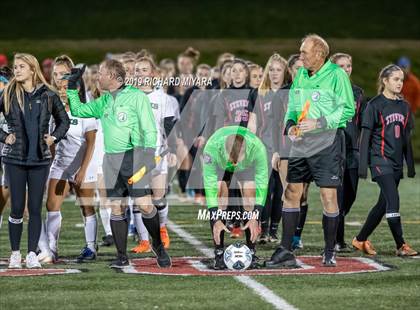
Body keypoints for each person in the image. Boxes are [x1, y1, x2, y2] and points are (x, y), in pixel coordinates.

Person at [66, 59, 171, 268]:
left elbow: (149, 128)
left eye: (102, 73)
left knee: (144, 204)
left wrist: (149, 156)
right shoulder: (104, 101)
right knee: (116, 208)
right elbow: (78, 110)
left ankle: (158, 246)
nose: (98, 77)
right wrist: (72, 86)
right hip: (111, 159)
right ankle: (122, 256)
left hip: (134, 156)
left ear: (113, 77)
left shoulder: (136, 97)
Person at [266, 34, 355, 268]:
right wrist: (290, 124)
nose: (301, 56)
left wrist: (320, 122)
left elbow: (347, 110)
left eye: (305, 52)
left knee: (328, 196)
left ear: (319, 54)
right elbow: (293, 106)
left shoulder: (336, 75)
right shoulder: (302, 75)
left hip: (327, 142)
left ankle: (329, 251)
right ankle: (285, 250)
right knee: (292, 192)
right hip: (301, 143)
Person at [0, 53, 69, 269]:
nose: (17, 70)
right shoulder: (8, 94)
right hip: (14, 159)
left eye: (21, 66)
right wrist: (4, 136)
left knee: (35, 208)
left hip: (40, 160)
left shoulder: (48, 94)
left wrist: (54, 137)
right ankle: (14, 253)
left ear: (32, 69)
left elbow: (64, 121)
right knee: (17, 208)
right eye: (15, 67)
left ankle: (31, 253)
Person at [36, 55, 99, 264]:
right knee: (52, 204)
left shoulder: (84, 104)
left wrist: (82, 170)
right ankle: (51, 249)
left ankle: (91, 246)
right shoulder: (50, 101)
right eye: (55, 74)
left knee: (86, 205)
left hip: (83, 163)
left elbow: (91, 142)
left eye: (63, 74)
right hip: (61, 164)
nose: (59, 79)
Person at [352, 64, 417, 257]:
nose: (399, 83)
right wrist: (363, 165)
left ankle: (360, 239)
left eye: (401, 80)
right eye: (395, 79)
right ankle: (401, 245)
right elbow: (365, 137)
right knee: (393, 200)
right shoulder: (374, 105)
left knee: (383, 204)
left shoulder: (404, 106)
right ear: (385, 81)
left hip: (396, 163)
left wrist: (410, 164)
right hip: (379, 161)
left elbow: (405, 138)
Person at [203, 126, 268, 269]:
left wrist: (255, 216)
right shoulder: (212, 148)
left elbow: (262, 184)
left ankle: (251, 251)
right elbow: (210, 186)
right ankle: (219, 253)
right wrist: (216, 218)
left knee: (250, 190)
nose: (235, 165)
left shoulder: (258, 148)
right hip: (221, 166)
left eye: (238, 160)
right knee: (220, 189)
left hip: (248, 167)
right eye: (232, 161)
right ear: (223, 152)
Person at [130, 56, 177, 253]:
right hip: (136, 153)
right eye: (137, 70)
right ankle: (144, 241)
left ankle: (162, 228)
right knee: (140, 197)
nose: (140, 73)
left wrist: (171, 149)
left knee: (158, 196)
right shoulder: (128, 96)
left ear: (152, 73)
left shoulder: (162, 98)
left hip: (158, 153)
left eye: (143, 70)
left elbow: (169, 127)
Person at [248, 53, 288, 243]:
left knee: (282, 191)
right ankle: (263, 230)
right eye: (270, 69)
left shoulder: (289, 93)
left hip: (285, 148)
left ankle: (274, 230)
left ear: (285, 72)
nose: (274, 73)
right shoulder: (258, 93)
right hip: (264, 147)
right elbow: (253, 123)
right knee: (264, 189)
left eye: (278, 69)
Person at [330, 52, 365, 251]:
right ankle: (337, 240)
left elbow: (362, 123)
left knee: (350, 196)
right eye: (341, 66)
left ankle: (338, 228)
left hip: (353, 151)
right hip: (334, 149)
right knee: (338, 196)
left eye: (348, 66)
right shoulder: (327, 91)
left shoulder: (358, 93)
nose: (346, 69)